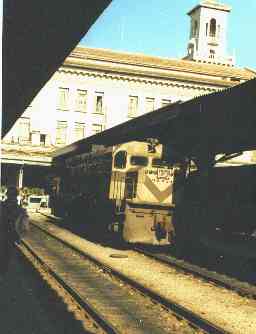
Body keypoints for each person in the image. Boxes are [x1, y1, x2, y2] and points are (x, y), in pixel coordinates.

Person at [0, 186, 29, 276]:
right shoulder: (21, 210)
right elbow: (24, 228)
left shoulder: (1, 206)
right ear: (17, 196)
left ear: (7, 195)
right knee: (7, 258)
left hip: (2, 236)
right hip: (12, 237)